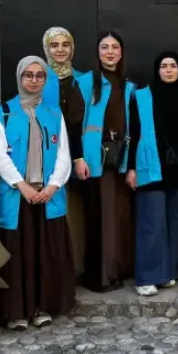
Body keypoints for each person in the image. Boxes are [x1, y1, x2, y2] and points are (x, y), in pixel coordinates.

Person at [0, 56, 75, 330]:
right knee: (16, 256)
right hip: (17, 197)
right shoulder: (3, 113)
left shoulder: (53, 113)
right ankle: (16, 312)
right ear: (19, 78)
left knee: (44, 254)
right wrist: (22, 185)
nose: (34, 80)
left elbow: (63, 154)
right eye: (28, 75)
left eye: (39, 76)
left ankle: (41, 307)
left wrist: (52, 186)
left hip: (47, 197)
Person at [74, 31, 137, 292]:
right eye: (104, 47)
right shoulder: (86, 83)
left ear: (121, 53)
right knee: (100, 218)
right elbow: (73, 123)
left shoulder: (129, 87)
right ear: (97, 53)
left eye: (114, 47)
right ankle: (99, 277)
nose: (109, 52)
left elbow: (136, 128)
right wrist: (78, 158)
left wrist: (131, 165)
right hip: (94, 161)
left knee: (120, 217)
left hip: (120, 159)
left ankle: (117, 270)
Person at [126, 51, 178, 297]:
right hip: (149, 166)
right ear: (157, 70)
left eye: (173, 66)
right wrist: (131, 167)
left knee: (175, 222)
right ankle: (147, 277)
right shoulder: (141, 96)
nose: (169, 70)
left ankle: (167, 272)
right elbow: (133, 133)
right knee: (152, 225)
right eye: (164, 66)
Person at [40, 27, 86, 277]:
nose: (60, 50)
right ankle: (54, 271)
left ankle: (76, 267)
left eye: (65, 44)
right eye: (54, 45)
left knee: (75, 213)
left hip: (77, 155)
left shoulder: (82, 80)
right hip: (48, 155)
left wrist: (79, 156)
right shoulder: (38, 77)